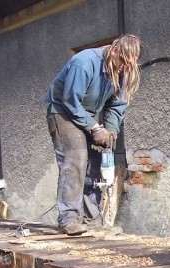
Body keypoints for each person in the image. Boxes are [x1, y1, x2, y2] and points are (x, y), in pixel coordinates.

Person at [44, 34, 142, 235]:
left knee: (98, 159)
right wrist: (95, 128)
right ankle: (69, 218)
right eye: (122, 61)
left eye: (128, 65)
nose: (123, 67)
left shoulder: (123, 70)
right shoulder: (84, 62)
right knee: (76, 156)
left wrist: (110, 133)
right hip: (63, 111)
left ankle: (92, 219)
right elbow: (70, 101)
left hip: (88, 114)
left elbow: (116, 107)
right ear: (114, 50)